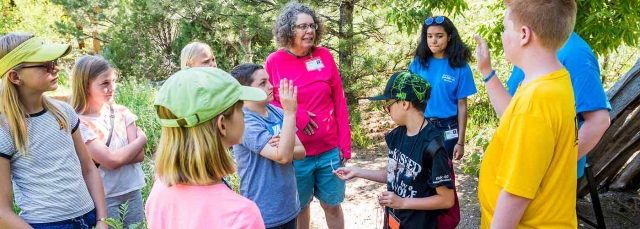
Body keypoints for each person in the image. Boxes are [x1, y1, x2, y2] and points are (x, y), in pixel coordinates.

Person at [473, 0, 579, 228]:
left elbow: (516, 194)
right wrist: (486, 70)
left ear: (523, 35)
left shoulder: (536, 101)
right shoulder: (553, 80)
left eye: (504, 28)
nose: (502, 36)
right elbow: (512, 117)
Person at [0, 33, 108, 229]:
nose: (56, 68)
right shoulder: (4, 129)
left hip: (89, 218)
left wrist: (102, 220)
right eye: (46, 65)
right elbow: (2, 211)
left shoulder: (64, 111)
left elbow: (89, 169)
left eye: (55, 62)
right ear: (15, 76)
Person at [145, 67, 267, 229]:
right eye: (240, 108)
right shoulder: (241, 215)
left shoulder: (159, 189)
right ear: (222, 124)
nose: (244, 114)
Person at [265, 2, 351, 229]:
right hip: (296, 151)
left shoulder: (324, 55)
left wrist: (345, 145)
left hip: (329, 150)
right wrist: (297, 114)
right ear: (288, 30)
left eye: (312, 25)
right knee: (300, 208)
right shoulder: (274, 61)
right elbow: (270, 100)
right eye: (302, 26)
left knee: (332, 206)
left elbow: (339, 101)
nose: (309, 31)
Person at [334, 71, 455, 229]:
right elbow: (394, 174)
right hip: (395, 220)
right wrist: (356, 171)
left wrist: (402, 202)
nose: (387, 110)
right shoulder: (397, 135)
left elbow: (446, 199)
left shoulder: (432, 147)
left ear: (404, 103)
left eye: (389, 105)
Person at [507, 31, 611, 178]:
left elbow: (598, 121)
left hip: (549, 179)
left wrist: (552, 165)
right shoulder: (534, 45)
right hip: (520, 167)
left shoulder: (575, 53)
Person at [70, 55, 147, 227]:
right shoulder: (79, 123)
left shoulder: (122, 112)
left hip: (132, 190)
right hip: (104, 196)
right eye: (105, 83)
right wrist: (142, 139)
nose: (112, 88)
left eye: (113, 81)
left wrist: (121, 154)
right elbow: (111, 161)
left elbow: (139, 155)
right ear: (85, 84)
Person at [231, 63, 306, 229]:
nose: (271, 86)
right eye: (263, 83)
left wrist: (284, 145)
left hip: (288, 205)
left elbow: (301, 152)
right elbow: (283, 157)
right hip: (263, 211)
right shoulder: (245, 121)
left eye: (269, 81)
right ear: (245, 90)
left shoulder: (276, 112)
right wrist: (290, 113)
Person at [408, 15, 477, 161]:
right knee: (421, 171)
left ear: (449, 37)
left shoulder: (460, 66)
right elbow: (409, 98)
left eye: (439, 36)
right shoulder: (418, 63)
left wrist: (461, 142)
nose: (433, 40)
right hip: (422, 123)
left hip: (448, 127)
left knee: (442, 171)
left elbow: (462, 106)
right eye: (430, 36)